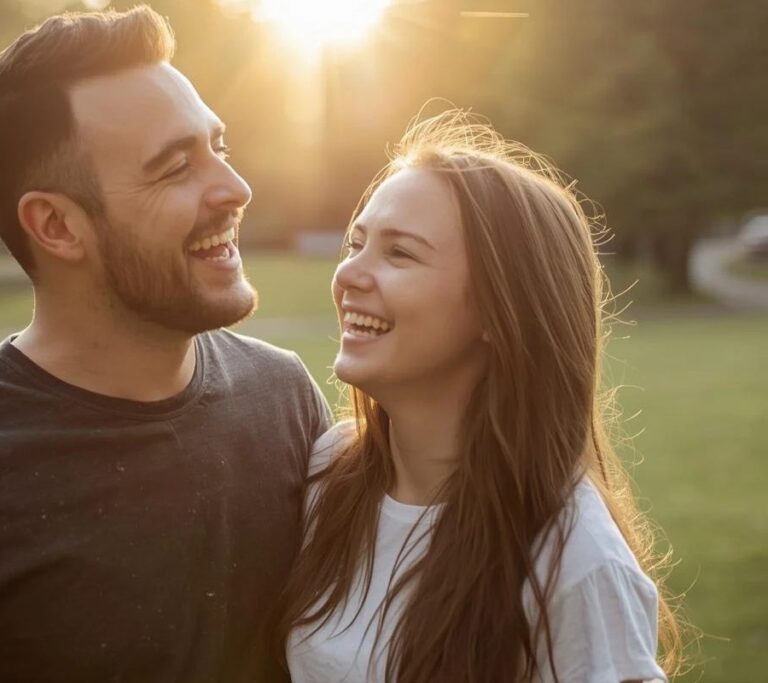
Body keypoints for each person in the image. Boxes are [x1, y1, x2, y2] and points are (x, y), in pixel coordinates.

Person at [0, 7, 331, 682]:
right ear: (56, 224)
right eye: (175, 166)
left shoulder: (286, 402)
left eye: (218, 148)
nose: (236, 188)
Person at [277, 110, 685, 682]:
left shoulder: (574, 561)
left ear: (500, 310)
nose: (348, 275)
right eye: (357, 243)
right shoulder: (329, 473)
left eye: (400, 254)